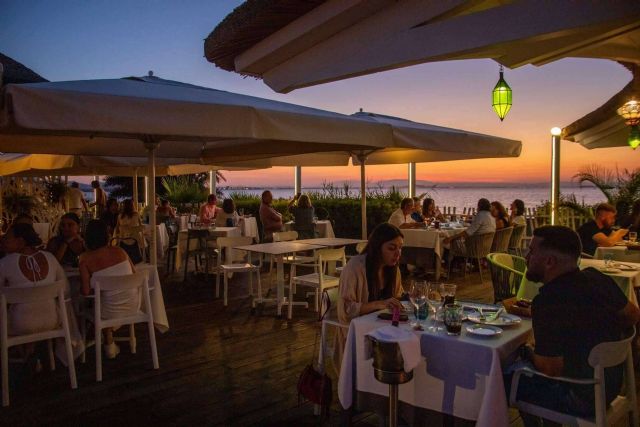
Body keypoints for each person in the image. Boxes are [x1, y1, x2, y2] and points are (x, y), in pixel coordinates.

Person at [505, 226, 640, 423]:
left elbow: (550, 368)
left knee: (503, 379)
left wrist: (526, 350)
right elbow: (633, 315)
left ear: (550, 261)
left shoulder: (549, 302)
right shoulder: (597, 278)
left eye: (532, 251)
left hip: (580, 396)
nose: (526, 256)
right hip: (609, 387)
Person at [335, 223, 404, 372]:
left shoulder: (393, 269)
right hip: (358, 333)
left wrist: (411, 297)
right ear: (377, 247)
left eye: (400, 248)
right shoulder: (355, 268)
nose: (398, 253)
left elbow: (397, 296)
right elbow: (346, 310)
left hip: (384, 330)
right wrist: (379, 304)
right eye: (392, 248)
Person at [79, 220, 138, 359]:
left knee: (96, 303)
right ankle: (109, 342)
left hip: (108, 312)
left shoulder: (85, 259)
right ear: (107, 235)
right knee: (107, 299)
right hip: (132, 306)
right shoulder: (121, 252)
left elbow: (86, 292)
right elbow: (134, 275)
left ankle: (97, 340)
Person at [0, 223, 68, 338]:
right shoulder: (50, 258)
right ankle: (29, 350)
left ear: (20, 241)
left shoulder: (5, 263)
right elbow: (65, 289)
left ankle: (19, 351)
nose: (2, 240)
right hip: (51, 320)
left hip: (20, 325)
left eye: (7, 237)